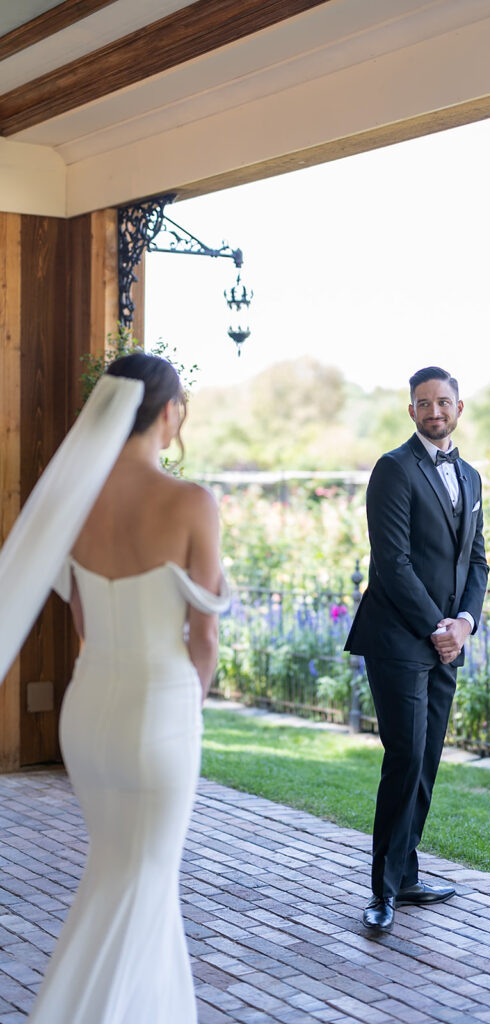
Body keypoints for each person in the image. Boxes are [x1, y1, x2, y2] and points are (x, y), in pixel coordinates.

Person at [24, 352, 229, 1024]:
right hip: (157, 712)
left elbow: (81, 620)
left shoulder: (71, 500)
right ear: (168, 413)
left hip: (87, 715)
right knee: (142, 883)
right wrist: (187, 703)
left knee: (119, 875)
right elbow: (203, 637)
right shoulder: (192, 502)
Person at [345, 365, 488, 933]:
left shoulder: (472, 477)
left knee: (427, 763)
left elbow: (476, 560)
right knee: (404, 760)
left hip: (447, 641)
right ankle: (381, 892)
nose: (435, 411)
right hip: (400, 638)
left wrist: (465, 625)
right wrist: (437, 625)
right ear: (411, 411)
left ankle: (406, 878)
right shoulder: (393, 469)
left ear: (459, 407)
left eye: (444, 402)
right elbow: (392, 564)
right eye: (423, 403)